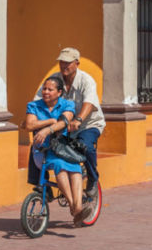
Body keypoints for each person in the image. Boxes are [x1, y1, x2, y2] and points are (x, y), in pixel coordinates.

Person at [29, 47, 104, 196]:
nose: (64, 66)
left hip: (87, 124)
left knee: (86, 146)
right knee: (37, 145)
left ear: (77, 63)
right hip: (63, 127)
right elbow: (39, 99)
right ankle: (42, 185)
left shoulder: (86, 80)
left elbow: (89, 103)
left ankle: (92, 179)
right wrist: (30, 118)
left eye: (68, 63)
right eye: (61, 62)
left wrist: (78, 119)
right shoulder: (54, 80)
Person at [23, 75, 87, 224]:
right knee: (60, 166)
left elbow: (65, 121)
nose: (45, 92)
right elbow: (30, 125)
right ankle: (74, 207)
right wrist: (51, 121)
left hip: (63, 148)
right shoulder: (33, 106)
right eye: (44, 89)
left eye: (50, 89)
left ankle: (77, 207)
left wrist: (47, 130)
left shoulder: (67, 104)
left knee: (75, 168)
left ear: (59, 92)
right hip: (43, 151)